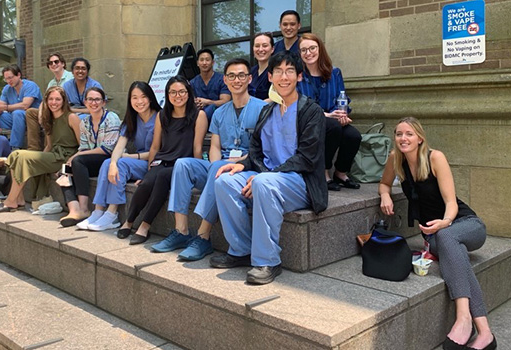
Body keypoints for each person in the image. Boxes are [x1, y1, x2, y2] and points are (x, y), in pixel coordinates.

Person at [379, 117, 496, 350]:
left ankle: (463, 319)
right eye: (399, 134)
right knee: (455, 254)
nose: (403, 138)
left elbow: (451, 203)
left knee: (447, 237)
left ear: (420, 138)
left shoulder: (435, 158)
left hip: (465, 223)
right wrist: (385, 195)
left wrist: (445, 222)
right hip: (435, 235)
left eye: (409, 134)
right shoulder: (395, 159)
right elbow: (384, 184)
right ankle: (485, 333)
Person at [210, 51, 326, 285]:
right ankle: (242, 249)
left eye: (290, 71)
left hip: (299, 182)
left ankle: (268, 260)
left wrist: (267, 176)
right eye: (278, 72)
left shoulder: (310, 111)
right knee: (223, 181)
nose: (284, 77)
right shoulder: (267, 111)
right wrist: (240, 166)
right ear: (270, 77)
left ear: (299, 77)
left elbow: (307, 158)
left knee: (263, 182)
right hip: (268, 179)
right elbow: (256, 153)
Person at [151, 58, 266, 261]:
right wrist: (214, 167)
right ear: (226, 81)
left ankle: (203, 236)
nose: (236, 80)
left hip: (245, 170)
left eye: (241, 75)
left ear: (249, 79)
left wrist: (223, 167)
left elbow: (261, 150)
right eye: (231, 76)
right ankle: (181, 231)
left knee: (219, 168)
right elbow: (214, 146)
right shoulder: (220, 112)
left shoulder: (262, 109)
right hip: (219, 167)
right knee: (183, 164)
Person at [117, 76, 208, 245]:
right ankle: (129, 221)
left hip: (182, 165)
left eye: (182, 91)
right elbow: (155, 147)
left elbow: (197, 147)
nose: (177, 95)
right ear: (167, 94)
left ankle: (145, 225)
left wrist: (195, 173)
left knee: (162, 178)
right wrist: (148, 171)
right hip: (162, 161)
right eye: (173, 92)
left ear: (188, 93)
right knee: (146, 183)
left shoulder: (199, 115)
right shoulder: (162, 115)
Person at [79, 81, 160, 231]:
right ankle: (98, 211)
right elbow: (120, 146)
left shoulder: (160, 118)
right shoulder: (132, 119)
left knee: (122, 164)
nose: (139, 101)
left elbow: (158, 151)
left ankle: (112, 214)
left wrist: (129, 157)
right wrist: (113, 163)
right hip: (137, 162)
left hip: (154, 164)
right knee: (107, 163)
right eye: (134, 97)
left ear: (150, 98)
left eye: (143, 97)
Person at [0, 86, 80, 213]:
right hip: (53, 155)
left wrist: (71, 160)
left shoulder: (71, 117)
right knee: (15, 155)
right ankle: (18, 199)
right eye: (51, 99)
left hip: (65, 157)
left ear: (64, 101)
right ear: (46, 101)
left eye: (58, 99)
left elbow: (83, 145)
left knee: (22, 156)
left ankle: (10, 201)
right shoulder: (49, 119)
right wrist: (39, 160)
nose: (54, 102)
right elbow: (48, 145)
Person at [297, 33, 361, 192]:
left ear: (320, 49)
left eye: (312, 48)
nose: (308, 53)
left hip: (333, 119)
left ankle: (340, 172)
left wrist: (342, 114)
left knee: (353, 135)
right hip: (308, 121)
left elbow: (342, 97)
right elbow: (301, 105)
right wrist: (328, 116)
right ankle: (324, 173)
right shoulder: (298, 76)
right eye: (304, 50)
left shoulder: (335, 73)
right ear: (299, 53)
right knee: (332, 126)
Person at [58, 87, 121, 227]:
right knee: (64, 170)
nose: (94, 103)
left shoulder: (112, 118)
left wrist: (77, 155)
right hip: (92, 160)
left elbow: (107, 149)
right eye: (90, 99)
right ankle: (74, 209)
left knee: (78, 160)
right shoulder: (85, 122)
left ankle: (84, 208)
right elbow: (85, 147)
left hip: (110, 160)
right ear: (85, 102)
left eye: (97, 99)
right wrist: (77, 156)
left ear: (104, 102)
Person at [26, 52, 74, 151]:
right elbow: (45, 100)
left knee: (47, 117)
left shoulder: (71, 77)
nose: (53, 64)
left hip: (66, 110)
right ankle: (33, 148)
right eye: (50, 63)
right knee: (30, 112)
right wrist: (40, 113)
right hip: (53, 109)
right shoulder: (51, 83)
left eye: (56, 61)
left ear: (63, 64)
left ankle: (48, 148)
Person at [0, 64, 42, 149]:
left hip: (31, 120)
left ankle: (14, 147)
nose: (9, 81)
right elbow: (1, 107)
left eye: (10, 77)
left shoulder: (30, 86)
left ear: (19, 75)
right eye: (6, 79)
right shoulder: (7, 88)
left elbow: (25, 105)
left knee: (18, 113)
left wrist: (4, 107)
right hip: (14, 120)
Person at [189, 49, 230, 121]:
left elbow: (225, 102)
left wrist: (208, 102)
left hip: (220, 118)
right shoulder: (193, 82)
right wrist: (196, 103)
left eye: (207, 60)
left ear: (213, 62)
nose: (204, 63)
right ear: (197, 63)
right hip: (198, 119)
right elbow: (190, 102)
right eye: (201, 60)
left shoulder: (222, 80)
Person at [249, 32, 274, 100]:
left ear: (272, 49)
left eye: (265, 46)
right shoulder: (250, 71)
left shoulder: (276, 71)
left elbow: (277, 96)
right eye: (257, 46)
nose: (260, 49)